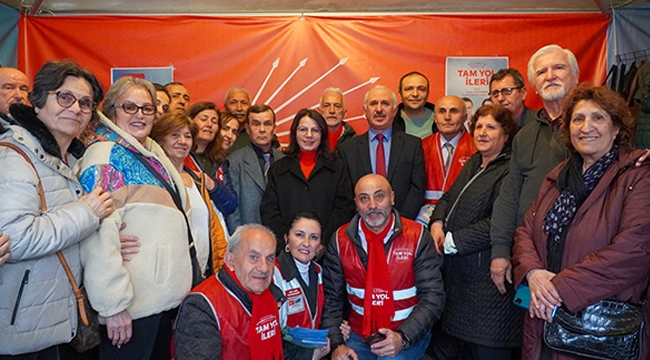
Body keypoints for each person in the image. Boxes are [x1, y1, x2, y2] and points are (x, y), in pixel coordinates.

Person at [512, 84, 650, 360]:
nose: (586, 127)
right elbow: (526, 232)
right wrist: (534, 274)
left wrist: (557, 288)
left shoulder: (637, 177)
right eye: (578, 118)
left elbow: (634, 251)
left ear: (617, 129)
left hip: (600, 333)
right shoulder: (558, 177)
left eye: (598, 118)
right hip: (544, 320)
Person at [0, 61, 114, 357]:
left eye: (85, 103)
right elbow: (16, 238)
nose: (76, 108)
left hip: (60, 323)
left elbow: (68, 234)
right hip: (24, 330)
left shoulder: (73, 161)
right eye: (65, 97)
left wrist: (109, 238)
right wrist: (88, 214)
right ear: (37, 102)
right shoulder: (15, 156)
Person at [78, 76, 192, 360]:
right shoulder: (106, 156)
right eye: (130, 107)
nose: (140, 115)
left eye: (147, 108)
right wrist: (113, 306)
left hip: (159, 304)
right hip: (131, 311)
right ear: (112, 110)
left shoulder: (149, 152)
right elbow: (98, 238)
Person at [428, 105, 521, 360]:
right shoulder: (474, 161)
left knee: (486, 350)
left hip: (488, 287)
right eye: (479, 126)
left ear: (506, 134)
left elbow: (501, 221)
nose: (482, 132)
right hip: (460, 281)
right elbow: (448, 198)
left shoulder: (510, 168)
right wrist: (437, 222)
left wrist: (451, 241)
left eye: (491, 127)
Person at [322, 174, 445, 360]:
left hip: (407, 333)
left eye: (379, 196)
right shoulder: (340, 240)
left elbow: (433, 297)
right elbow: (331, 299)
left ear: (392, 198)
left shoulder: (417, 236)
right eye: (364, 198)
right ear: (356, 203)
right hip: (359, 334)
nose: (372, 205)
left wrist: (402, 338)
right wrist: (337, 343)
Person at [490, 45, 579, 297]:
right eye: (541, 72)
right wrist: (500, 250)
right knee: (533, 331)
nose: (550, 75)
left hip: (582, 252)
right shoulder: (524, 136)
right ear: (535, 86)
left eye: (558, 68)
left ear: (576, 76)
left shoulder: (595, 126)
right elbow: (509, 195)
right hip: (532, 253)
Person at [174, 224, 285, 360]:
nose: (264, 268)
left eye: (269, 259)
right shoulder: (201, 305)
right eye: (254, 257)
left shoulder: (272, 294)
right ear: (230, 261)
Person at [261, 109, 354, 252]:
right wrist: (287, 239)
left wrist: (323, 241)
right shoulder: (279, 169)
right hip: (286, 251)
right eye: (303, 129)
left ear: (322, 134)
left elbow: (344, 209)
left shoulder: (337, 168)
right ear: (295, 133)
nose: (309, 135)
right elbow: (269, 210)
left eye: (315, 130)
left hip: (327, 251)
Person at [150, 111, 229, 276]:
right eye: (174, 135)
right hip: (170, 273)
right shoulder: (153, 181)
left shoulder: (198, 181)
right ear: (160, 140)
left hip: (203, 270)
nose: (182, 141)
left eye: (187, 136)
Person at [338, 85, 426, 220]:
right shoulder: (347, 149)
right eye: (373, 104)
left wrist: (400, 222)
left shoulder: (412, 145)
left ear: (395, 110)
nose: (379, 109)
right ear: (365, 110)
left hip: (402, 224)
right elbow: (346, 193)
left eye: (385, 103)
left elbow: (417, 190)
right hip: (361, 225)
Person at [273, 211, 330, 360]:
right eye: (299, 235)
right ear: (286, 238)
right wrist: (307, 356)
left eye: (313, 237)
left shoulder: (319, 271)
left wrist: (336, 330)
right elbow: (271, 337)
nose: (306, 243)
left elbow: (323, 315)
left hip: (316, 352)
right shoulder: (273, 274)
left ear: (319, 245)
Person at [419, 95, 476, 225]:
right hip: (425, 216)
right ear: (435, 117)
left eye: (454, 111)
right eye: (442, 111)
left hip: (462, 218)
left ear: (465, 117)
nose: (447, 117)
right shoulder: (421, 147)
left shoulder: (476, 149)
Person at [227, 104, 285, 231]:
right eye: (256, 124)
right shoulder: (234, 161)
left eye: (267, 124)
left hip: (279, 239)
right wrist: (238, 241)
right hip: (248, 238)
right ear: (247, 129)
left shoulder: (284, 160)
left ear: (274, 128)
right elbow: (232, 211)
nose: (262, 129)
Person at [184, 101, 238, 217]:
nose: (209, 124)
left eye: (214, 121)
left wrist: (212, 185)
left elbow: (231, 204)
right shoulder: (180, 154)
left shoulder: (219, 161)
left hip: (211, 227)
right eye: (203, 119)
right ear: (190, 122)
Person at [392, 71, 437, 138]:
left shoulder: (441, 118)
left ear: (427, 93)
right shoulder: (391, 120)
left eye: (421, 89)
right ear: (400, 94)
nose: (415, 94)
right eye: (409, 89)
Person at [225, 87, 253, 153]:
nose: (239, 108)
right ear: (225, 106)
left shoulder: (258, 131)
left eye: (244, 103)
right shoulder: (216, 131)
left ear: (250, 107)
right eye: (233, 103)